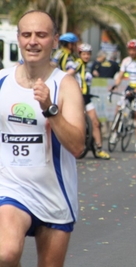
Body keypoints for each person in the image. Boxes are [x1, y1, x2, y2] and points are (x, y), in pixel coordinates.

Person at [0, 10, 85, 267]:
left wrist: (50, 108)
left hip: (54, 196)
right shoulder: (2, 81)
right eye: (26, 35)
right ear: (18, 39)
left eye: (41, 35)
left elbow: (77, 146)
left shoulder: (65, 84)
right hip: (11, 189)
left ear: (55, 40)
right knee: (5, 254)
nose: (33, 41)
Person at [75, 43, 111, 159]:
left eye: (88, 54)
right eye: (84, 54)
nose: (86, 56)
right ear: (79, 54)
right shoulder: (77, 64)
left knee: (95, 122)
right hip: (77, 97)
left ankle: (99, 149)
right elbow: (68, 74)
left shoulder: (88, 66)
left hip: (87, 97)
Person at [113, 39, 136, 153]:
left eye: (134, 50)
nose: (131, 52)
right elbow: (120, 76)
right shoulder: (125, 61)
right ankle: (115, 132)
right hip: (129, 87)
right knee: (119, 108)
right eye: (130, 50)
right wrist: (115, 85)